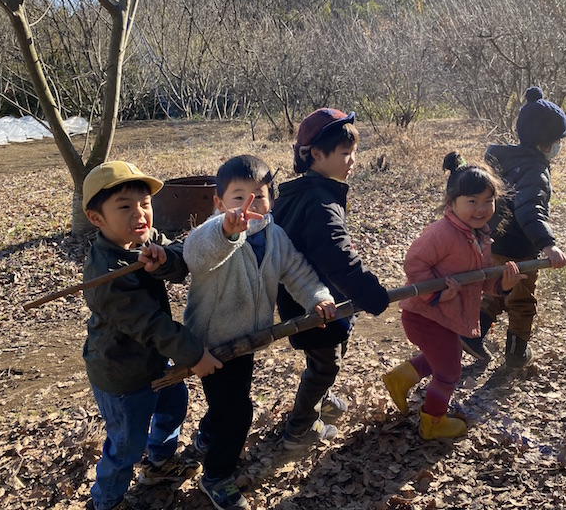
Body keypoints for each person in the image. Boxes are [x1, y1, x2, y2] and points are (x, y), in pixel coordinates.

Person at [183, 154, 336, 510]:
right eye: (239, 197)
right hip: (213, 343)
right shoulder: (213, 233)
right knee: (238, 411)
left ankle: (208, 436)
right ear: (219, 203)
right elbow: (196, 253)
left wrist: (318, 297)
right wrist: (225, 231)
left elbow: (296, 271)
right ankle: (217, 476)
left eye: (261, 195)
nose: (251, 205)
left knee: (228, 400)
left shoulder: (275, 235)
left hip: (247, 340)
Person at [82, 161, 221, 510]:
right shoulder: (106, 273)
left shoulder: (143, 238)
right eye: (125, 207)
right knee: (127, 444)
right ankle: (107, 501)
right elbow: (150, 324)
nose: (140, 213)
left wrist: (165, 258)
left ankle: (159, 463)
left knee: (172, 409)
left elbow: (179, 258)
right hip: (122, 374)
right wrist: (194, 354)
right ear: (97, 218)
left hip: (157, 361)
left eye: (145, 203)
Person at [382, 152, 525, 439]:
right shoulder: (442, 233)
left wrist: (503, 286)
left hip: (446, 316)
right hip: (427, 314)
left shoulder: (479, 234)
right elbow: (414, 263)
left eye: (488, 201)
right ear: (452, 203)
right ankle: (432, 422)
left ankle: (400, 378)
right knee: (449, 373)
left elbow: (482, 278)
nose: (481, 208)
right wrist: (435, 294)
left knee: (448, 354)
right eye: (472, 201)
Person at [273, 108, 390, 451]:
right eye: (345, 153)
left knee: (326, 356)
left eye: (353, 152)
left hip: (312, 297)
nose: (352, 160)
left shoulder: (300, 193)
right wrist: (371, 292)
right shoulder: (319, 201)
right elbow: (337, 257)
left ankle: (320, 398)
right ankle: (300, 428)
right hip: (315, 301)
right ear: (316, 155)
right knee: (327, 362)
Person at [460, 86, 566, 369]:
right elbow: (529, 210)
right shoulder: (536, 171)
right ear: (544, 144)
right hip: (520, 250)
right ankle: (516, 353)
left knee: (496, 290)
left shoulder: (504, 159)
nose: (558, 147)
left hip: (492, 241)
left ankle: (474, 336)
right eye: (556, 141)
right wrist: (547, 244)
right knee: (521, 300)